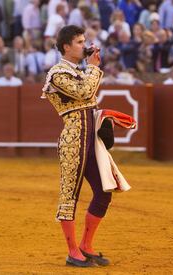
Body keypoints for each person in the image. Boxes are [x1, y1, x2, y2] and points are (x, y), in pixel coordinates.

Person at [41, 25, 111, 268]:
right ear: (66, 47)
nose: (85, 45)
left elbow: (89, 95)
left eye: (84, 41)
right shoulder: (57, 73)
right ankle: (72, 252)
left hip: (91, 139)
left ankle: (86, 245)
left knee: (104, 191)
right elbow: (84, 92)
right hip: (73, 141)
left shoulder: (80, 71)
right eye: (80, 42)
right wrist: (93, 67)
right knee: (69, 195)